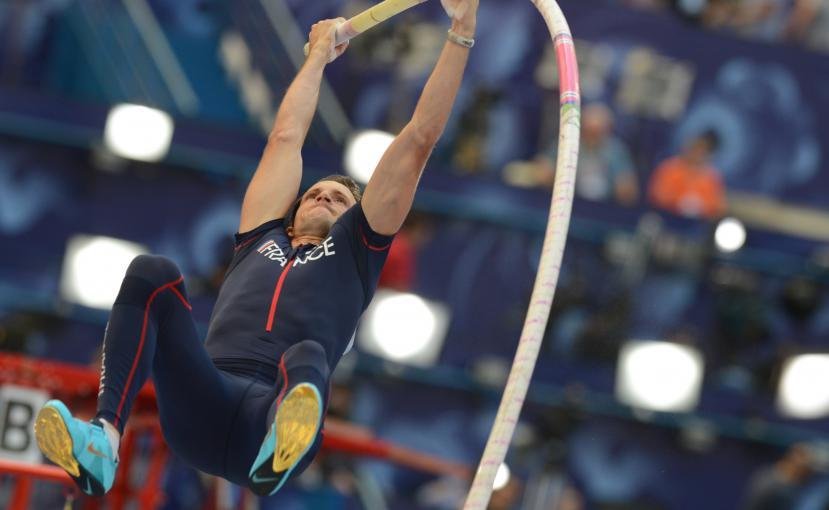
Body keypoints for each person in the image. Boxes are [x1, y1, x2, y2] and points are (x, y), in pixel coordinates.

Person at [34, 0, 478, 498]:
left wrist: (460, 31)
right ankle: (104, 442)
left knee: (307, 354)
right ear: (293, 207)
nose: (324, 195)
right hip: (204, 403)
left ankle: (280, 444)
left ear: (355, 218)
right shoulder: (260, 237)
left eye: (339, 199)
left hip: (268, 418)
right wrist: (317, 58)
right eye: (315, 192)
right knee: (150, 271)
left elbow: (418, 141)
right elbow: (286, 138)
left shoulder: (355, 253)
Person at [535, 103, 639, 206]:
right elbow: (542, 170)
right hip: (570, 203)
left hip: (604, 208)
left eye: (597, 133)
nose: (592, 138)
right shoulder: (567, 143)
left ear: (607, 131)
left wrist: (622, 186)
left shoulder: (616, 151)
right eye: (588, 132)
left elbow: (628, 190)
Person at [647, 130, 727, 219]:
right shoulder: (669, 168)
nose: (696, 152)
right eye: (694, 148)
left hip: (697, 224)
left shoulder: (712, 177)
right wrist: (679, 202)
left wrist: (700, 206)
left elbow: (718, 207)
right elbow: (658, 195)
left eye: (702, 149)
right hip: (667, 218)